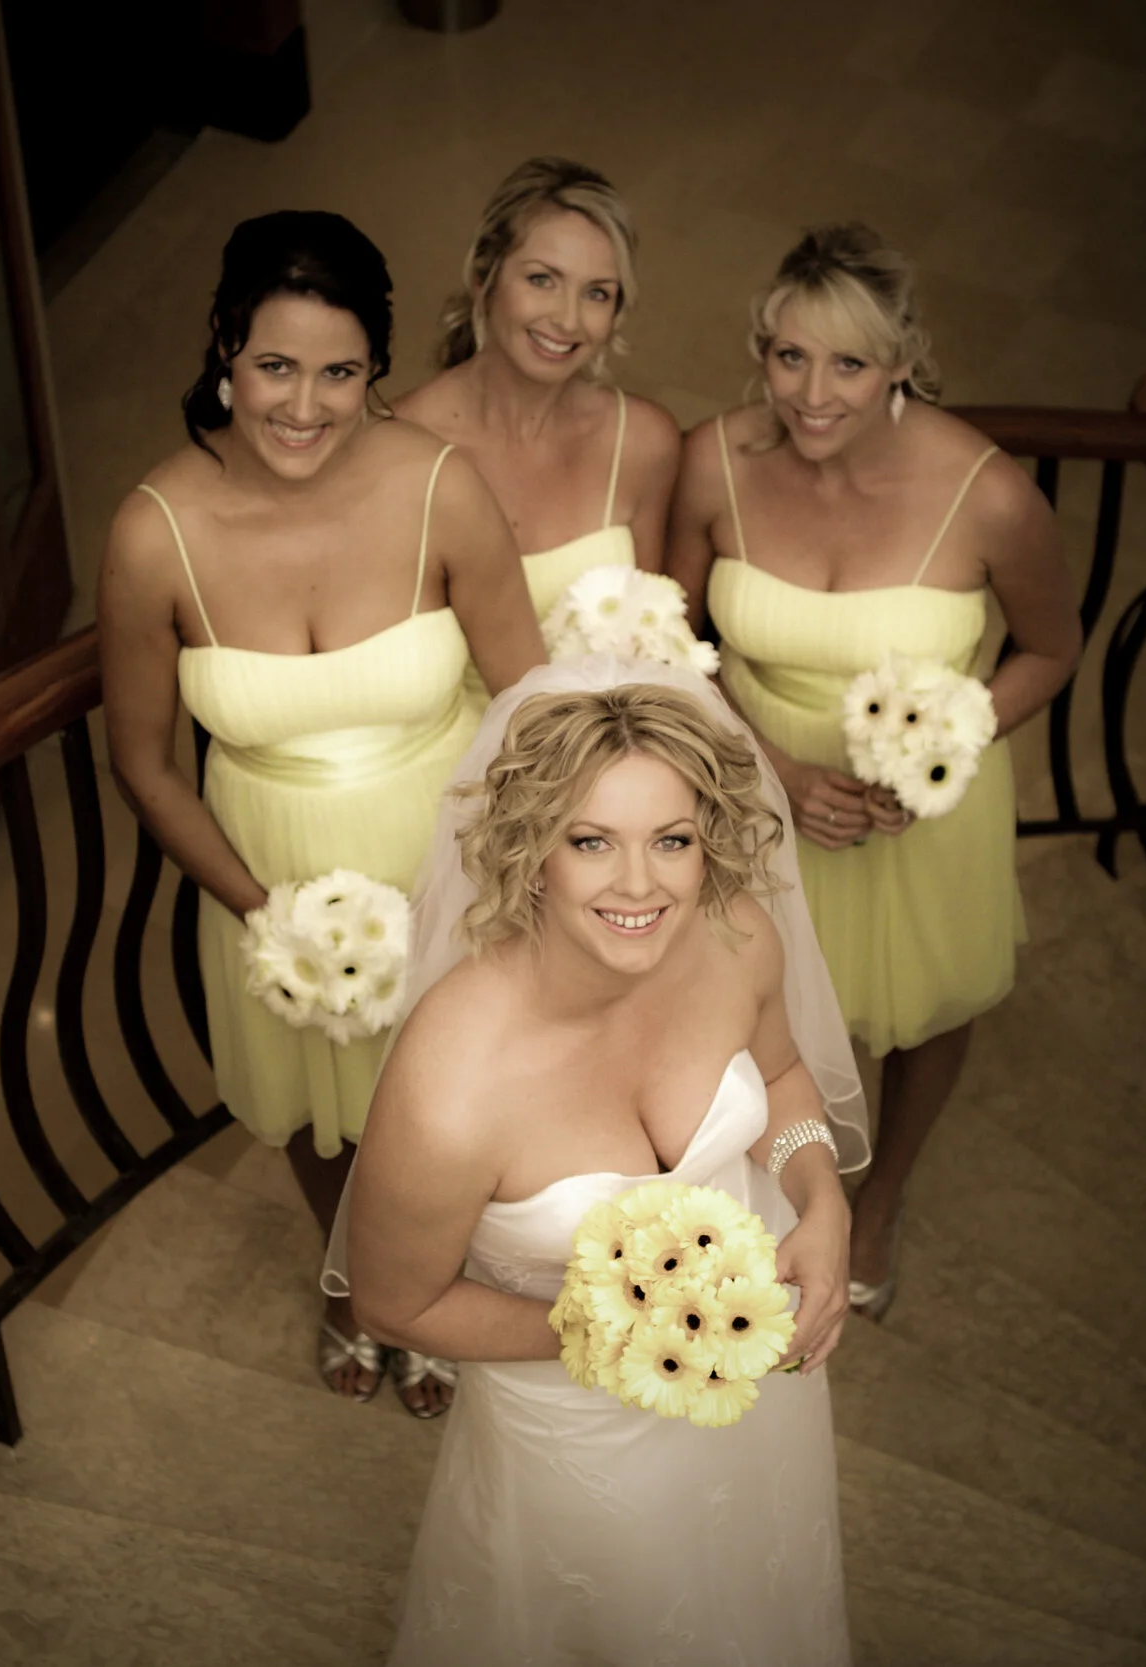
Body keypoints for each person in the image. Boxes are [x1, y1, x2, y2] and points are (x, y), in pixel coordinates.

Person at [99, 210, 542, 1418]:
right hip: (271, 874)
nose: (304, 405)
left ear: (374, 373)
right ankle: (353, 1280)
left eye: (339, 372)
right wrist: (269, 912)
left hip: (448, 856)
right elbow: (145, 763)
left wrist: (481, 879)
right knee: (320, 1114)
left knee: (453, 1110)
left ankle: (444, 1281)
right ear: (226, 350)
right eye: (275, 366)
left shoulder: (439, 486)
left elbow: (533, 704)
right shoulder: (154, 535)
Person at [333, 664, 867, 1665]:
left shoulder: (733, 934)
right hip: (576, 1441)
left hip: (758, 1376)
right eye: (592, 841)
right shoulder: (451, 1083)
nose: (640, 884)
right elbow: (393, 1304)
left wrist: (819, 1197)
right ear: (532, 852)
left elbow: (784, 1076)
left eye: (671, 839)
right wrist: (626, 1334)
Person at [667, 223, 1082, 1321]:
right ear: (759, 349)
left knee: (926, 1000)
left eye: (848, 363)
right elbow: (668, 640)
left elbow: (1050, 649)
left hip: (915, 812)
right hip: (754, 779)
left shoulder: (987, 494)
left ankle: (882, 1194)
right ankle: (761, 1186)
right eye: (787, 356)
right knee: (746, 1012)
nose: (812, 393)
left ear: (901, 361)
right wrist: (776, 775)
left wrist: (945, 742)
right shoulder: (713, 461)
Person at [394, 157, 680, 688]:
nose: (567, 319)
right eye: (542, 280)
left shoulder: (642, 442)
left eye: (597, 293)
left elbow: (654, 650)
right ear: (484, 279)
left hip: (604, 747)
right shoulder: (395, 446)